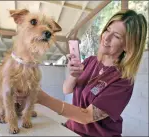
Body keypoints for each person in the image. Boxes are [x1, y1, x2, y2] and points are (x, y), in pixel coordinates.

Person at [37, 9, 147, 137]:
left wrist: (42, 98)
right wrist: (73, 76)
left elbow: (87, 116)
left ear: (128, 46)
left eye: (116, 36)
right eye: (107, 30)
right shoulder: (90, 61)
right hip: (72, 129)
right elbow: (66, 90)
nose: (106, 37)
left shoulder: (123, 80)